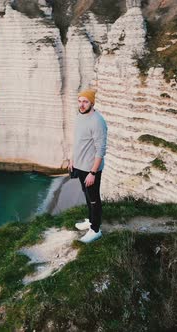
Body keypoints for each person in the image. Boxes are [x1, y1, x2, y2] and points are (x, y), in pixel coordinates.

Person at [68, 89, 108, 243]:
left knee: (94, 199)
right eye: (80, 101)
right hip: (80, 165)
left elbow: (100, 150)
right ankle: (91, 221)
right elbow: (78, 141)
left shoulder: (97, 121)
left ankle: (95, 230)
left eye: (85, 101)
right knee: (86, 194)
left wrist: (93, 172)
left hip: (91, 168)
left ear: (92, 103)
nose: (82, 104)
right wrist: (73, 160)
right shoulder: (79, 116)